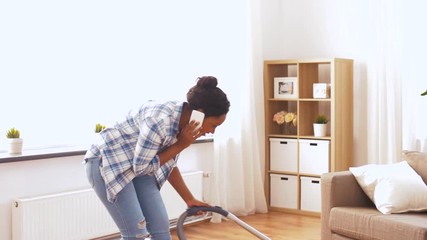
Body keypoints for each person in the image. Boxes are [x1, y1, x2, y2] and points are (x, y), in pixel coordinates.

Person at [84, 76, 230, 240]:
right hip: (109, 162)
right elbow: (142, 167)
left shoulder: (183, 124)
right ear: (200, 114)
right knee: (136, 234)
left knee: (161, 229)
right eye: (214, 125)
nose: (212, 131)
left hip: (139, 166)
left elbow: (167, 162)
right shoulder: (159, 121)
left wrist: (189, 199)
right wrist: (181, 144)